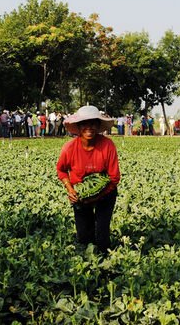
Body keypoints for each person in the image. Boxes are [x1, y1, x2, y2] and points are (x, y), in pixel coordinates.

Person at [56, 106, 120, 254]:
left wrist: (97, 196)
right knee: (84, 234)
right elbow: (61, 170)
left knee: (102, 230)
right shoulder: (69, 148)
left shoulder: (108, 145)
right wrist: (70, 190)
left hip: (106, 193)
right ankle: (88, 264)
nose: (89, 127)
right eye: (84, 123)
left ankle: (105, 260)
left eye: (93, 123)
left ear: (98, 126)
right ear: (78, 127)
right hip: (80, 195)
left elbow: (114, 177)